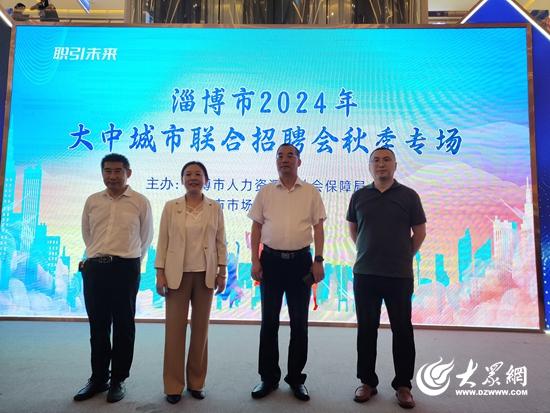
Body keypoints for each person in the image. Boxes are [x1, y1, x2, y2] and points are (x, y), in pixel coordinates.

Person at [346, 147, 426, 409]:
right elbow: (353, 230)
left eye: (386, 160)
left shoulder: (409, 196)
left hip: (398, 275)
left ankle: (403, 385)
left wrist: (404, 254)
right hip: (365, 273)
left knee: (402, 330)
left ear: (395, 165)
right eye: (376, 161)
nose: (381, 164)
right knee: (366, 330)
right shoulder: (359, 196)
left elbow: (419, 232)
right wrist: (368, 251)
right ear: (370, 166)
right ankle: (367, 381)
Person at [248, 143, 326, 402]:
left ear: (299, 161)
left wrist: (318, 260)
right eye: (279, 156)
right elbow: (256, 228)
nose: (284, 159)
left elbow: (318, 229)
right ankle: (268, 378)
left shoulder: (311, 192)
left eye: (290, 155)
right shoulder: (266, 192)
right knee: (269, 322)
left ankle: (295, 378)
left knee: (299, 324)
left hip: (301, 263)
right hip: (270, 262)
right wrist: (254, 260)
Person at [75, 153, 154, 403]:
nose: (112, 176)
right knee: (98, 326)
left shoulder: (140, 202)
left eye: (118, 171)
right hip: (95, 268)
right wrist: (97, 254)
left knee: (123, 326)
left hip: (125, 268)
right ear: (102, 173)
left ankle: (118, 379)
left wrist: (129, 260)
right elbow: (87, 234)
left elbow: (145, 238)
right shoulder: (92, 201)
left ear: (128, 173)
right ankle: (99, 378)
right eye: (107, 171)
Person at [155, 161, 227, 405]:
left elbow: (221, 241)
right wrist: (159, 273)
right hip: (177, 275)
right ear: (182, 179)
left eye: (198, 174)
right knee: (174, 331)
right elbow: (162, 241)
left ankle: (197, 382)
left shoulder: (214, 207)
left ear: (206, 179)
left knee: (200, 331)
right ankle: (173, 385)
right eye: (188, 174)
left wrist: (222, 272)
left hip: (205, 275)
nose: (193, 177)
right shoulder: (171, 206)